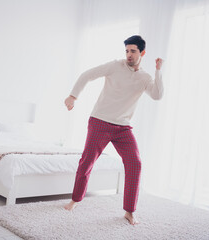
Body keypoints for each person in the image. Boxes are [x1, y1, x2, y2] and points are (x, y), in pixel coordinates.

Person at [63, 35, 164, 225]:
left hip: (123, 128)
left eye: (133, 51)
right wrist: (72, 96)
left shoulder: (145, 77)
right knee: (87, 161)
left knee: (135, 163)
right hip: (100, 121)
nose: (129, 55)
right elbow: (87, 75)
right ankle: (75, 200)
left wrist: (158, 71)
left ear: (142, 53)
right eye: (127, 51)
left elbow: (157, 95)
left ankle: (129, 211)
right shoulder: (115, 66)